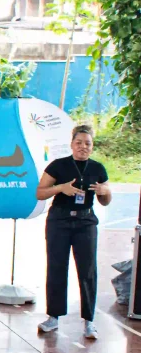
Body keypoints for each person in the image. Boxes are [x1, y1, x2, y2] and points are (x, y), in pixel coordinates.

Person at [36, 124, 111, 340]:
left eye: (87, 143)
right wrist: (61, 188)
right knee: (57, 267)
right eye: (79, 143)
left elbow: (105, 201)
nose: (83, 147)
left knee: (88, 270)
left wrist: (106, 192)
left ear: (92, 146)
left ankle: (89, 321)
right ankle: (53, 317)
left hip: (86, 222)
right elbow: (40, 193)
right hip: (59, 220)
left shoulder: (98, 169)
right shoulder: (58, 166)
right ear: (71, 144)